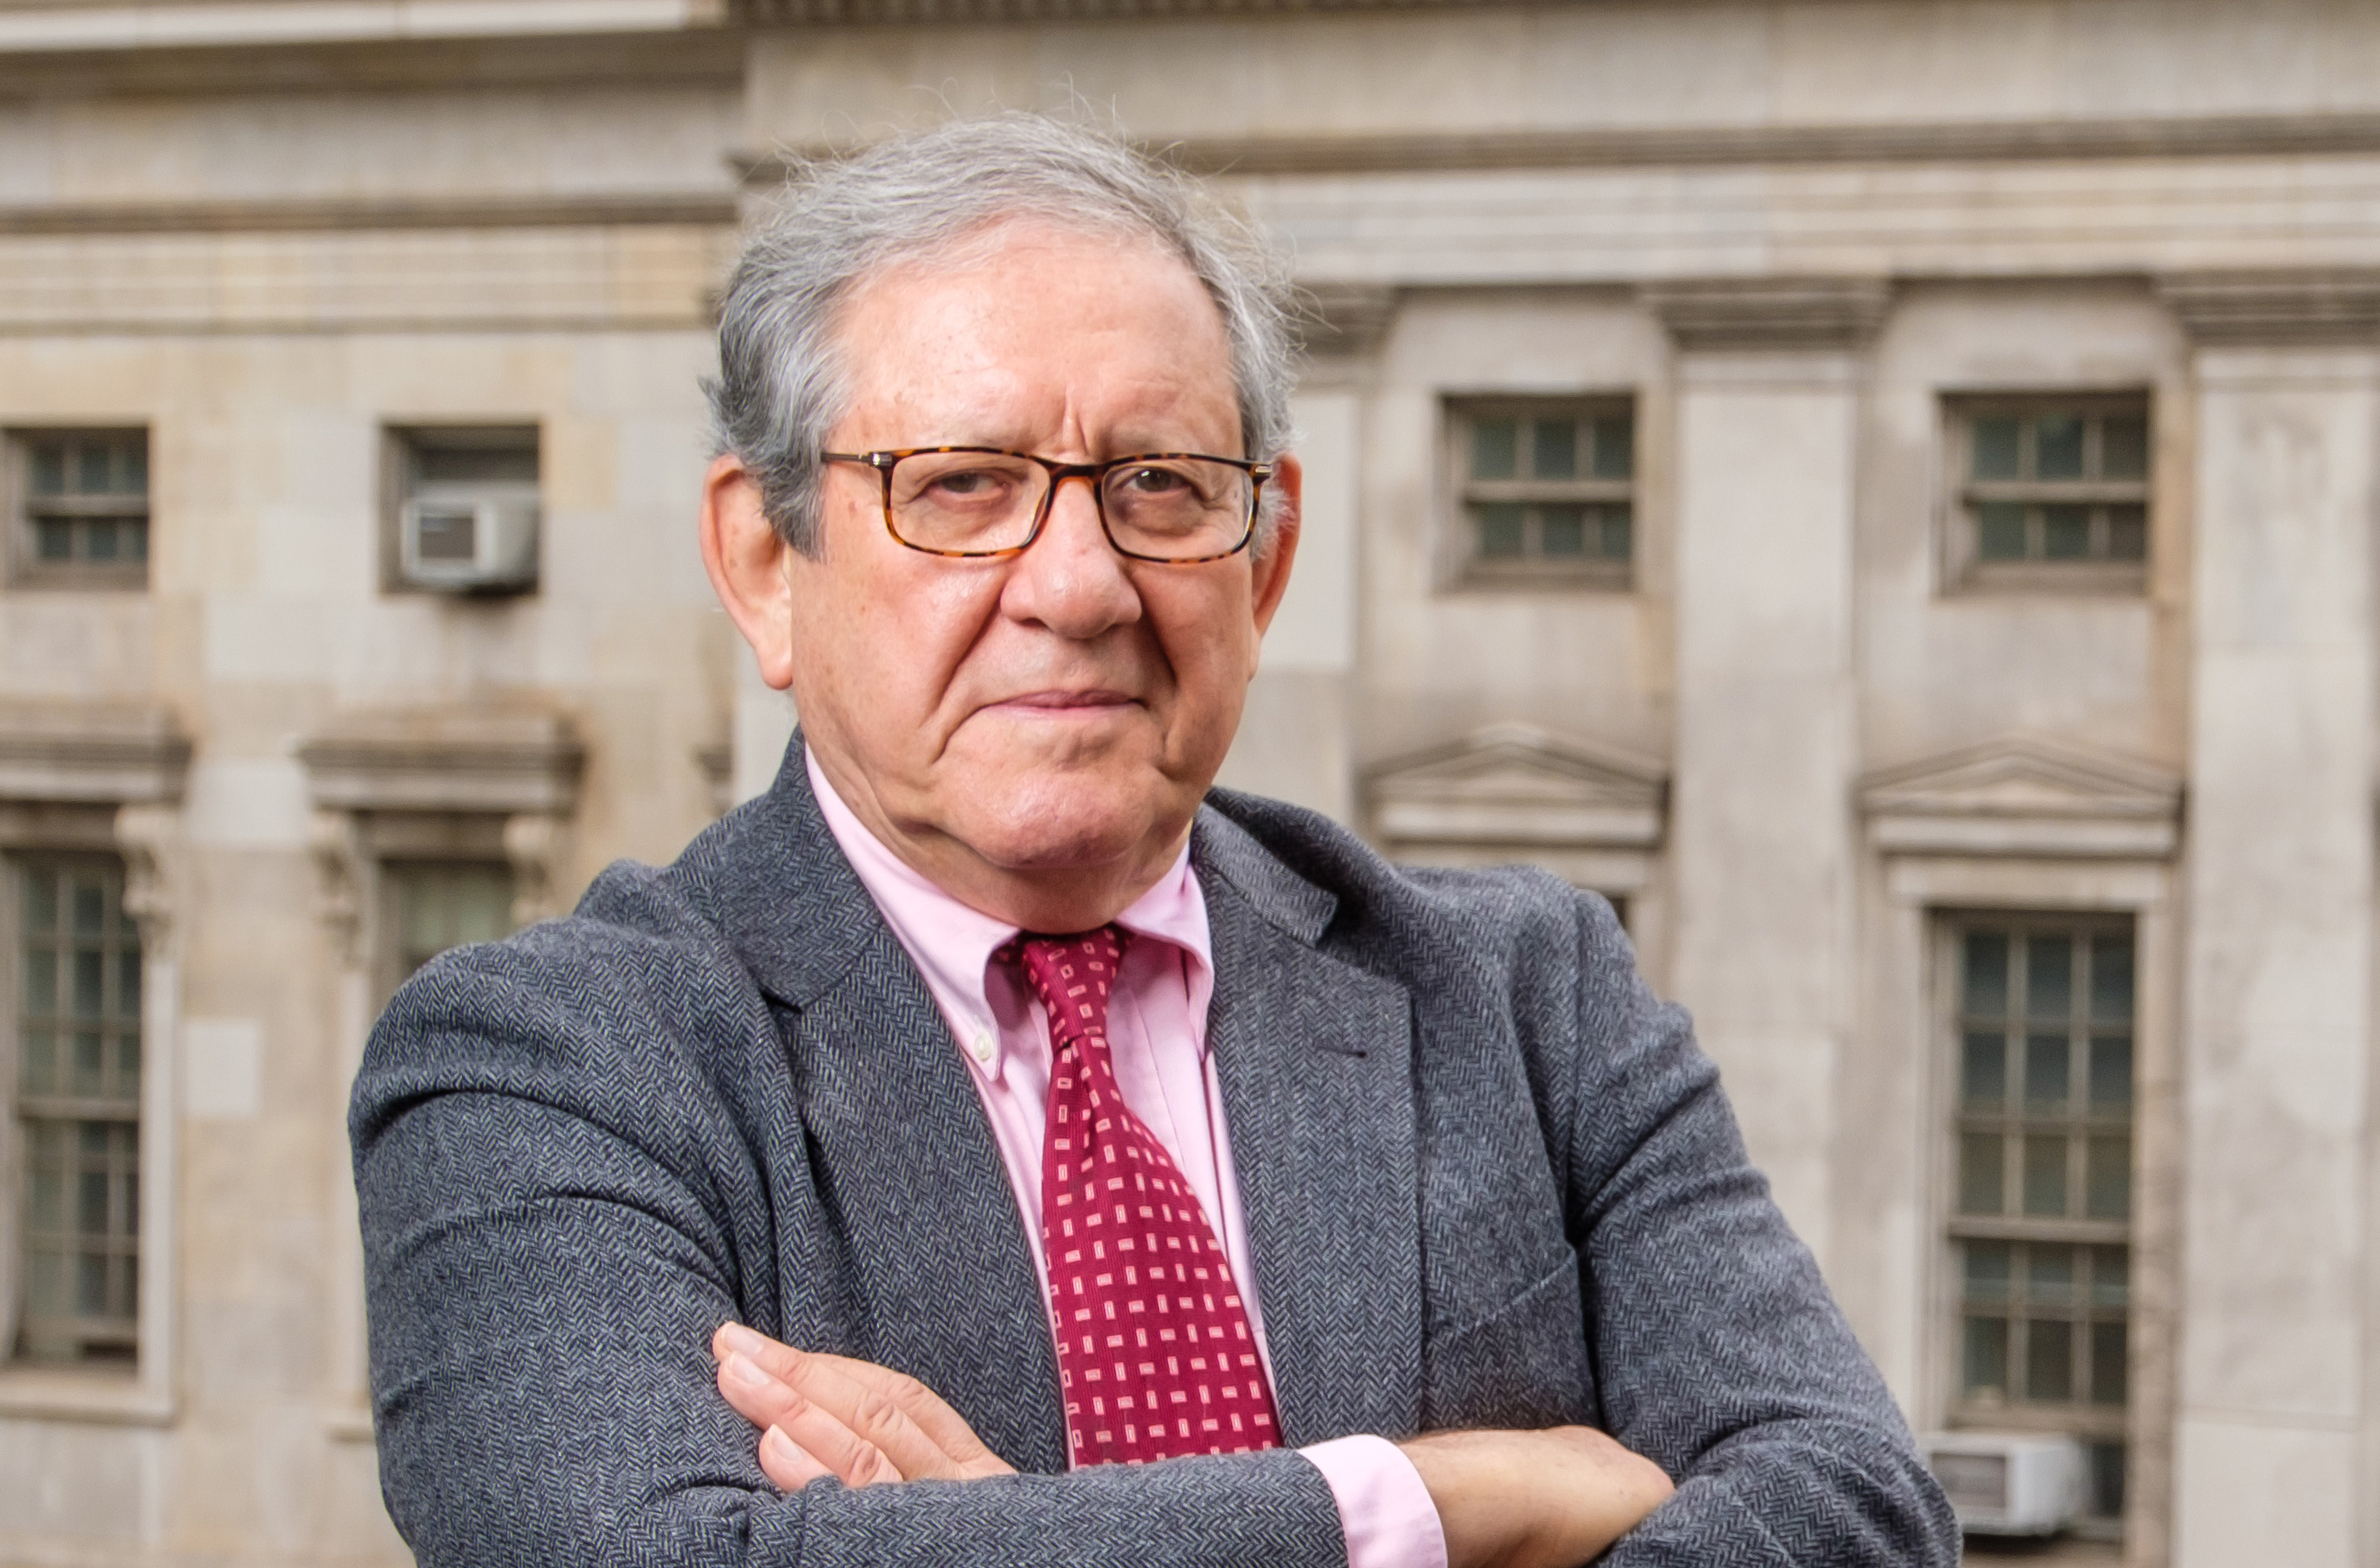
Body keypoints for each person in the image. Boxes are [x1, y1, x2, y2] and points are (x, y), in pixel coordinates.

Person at [351, 114, 1958, 1568]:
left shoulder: (1532, 995)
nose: (1079, 583)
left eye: (1163, 489)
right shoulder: (549, 1066)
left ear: (1263, 565)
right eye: (963, 487)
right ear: (765, 563)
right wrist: (1432, 1502)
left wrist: (1005, 1546)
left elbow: (1859, 1519)